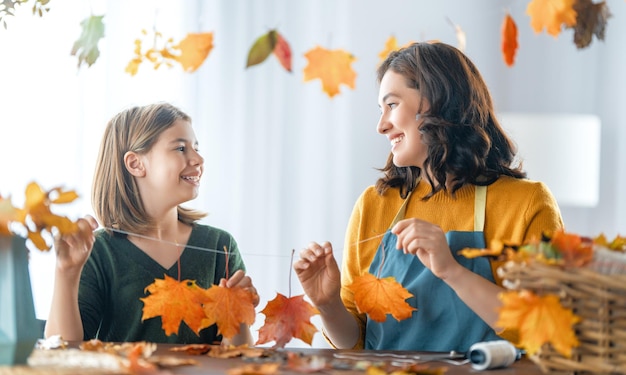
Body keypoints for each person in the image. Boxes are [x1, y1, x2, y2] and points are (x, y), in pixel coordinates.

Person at [294, 42, 564, 353]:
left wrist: (452, 270)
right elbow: (356, 342)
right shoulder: (374, 204)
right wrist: (327, 305)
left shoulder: (527, 204)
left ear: (436, 103)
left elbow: (545, 330)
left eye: (392, 105)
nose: (381, 125)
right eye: (380, 110)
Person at [45, 102, 258, 346]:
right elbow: (60, 352)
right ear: (136, 164)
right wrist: (66, 273)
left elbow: (237, 359)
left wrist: (238, 313)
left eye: (196, 148)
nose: (198, 159)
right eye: (180, 148)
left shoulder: (220, 245)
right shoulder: (97, 251)